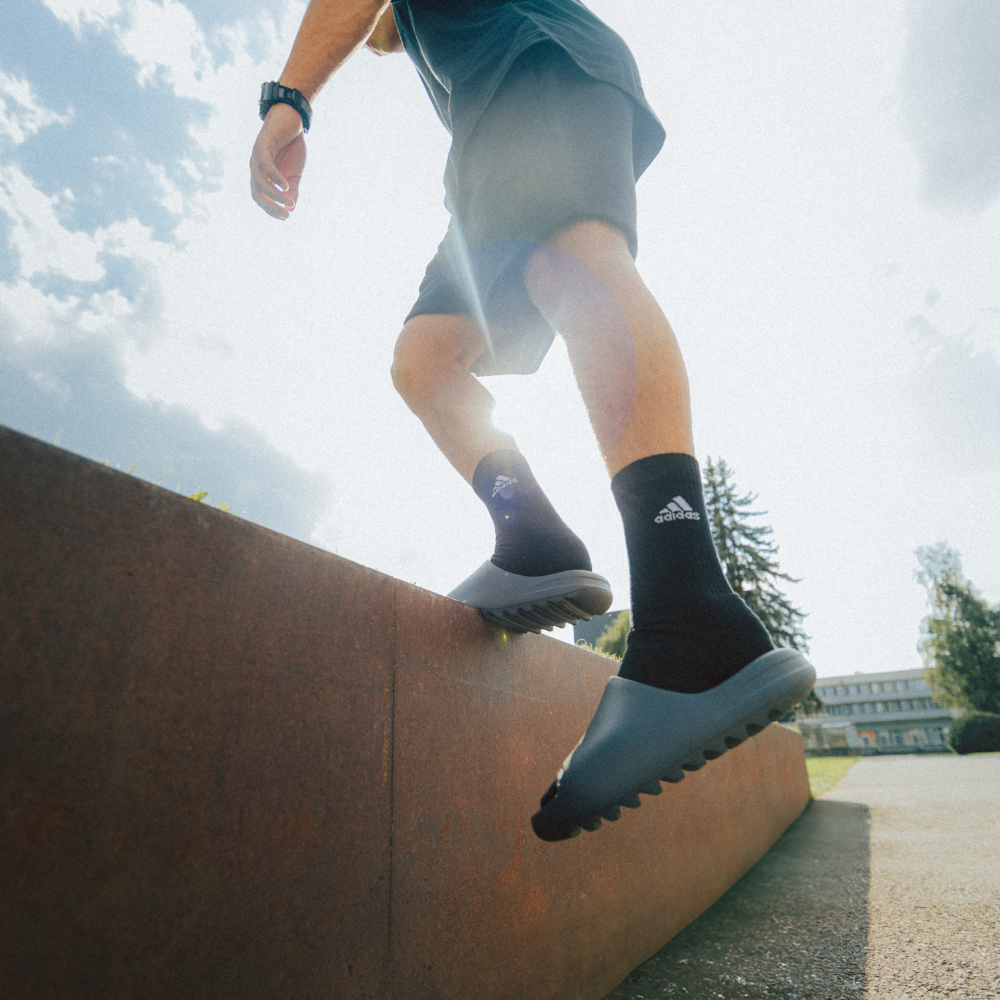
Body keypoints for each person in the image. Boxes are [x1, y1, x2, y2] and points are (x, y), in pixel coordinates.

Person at [250, 0, 816, 842]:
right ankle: (536, 543)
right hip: (485, 144)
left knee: (571, 265)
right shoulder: (425, 30)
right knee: (426, 361)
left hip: (539, 68)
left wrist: (287, 97)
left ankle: (689, 605)